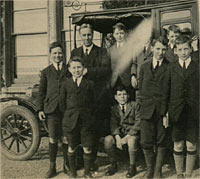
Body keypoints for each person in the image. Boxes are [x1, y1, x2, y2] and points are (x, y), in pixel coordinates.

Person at [70, 23, 111, 170]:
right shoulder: (75, 52)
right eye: (84, 35)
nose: (87, 37)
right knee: (79, 128)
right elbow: (71, 71)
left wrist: (88, 71)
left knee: (92, 130)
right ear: (80, 36)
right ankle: (80, 161)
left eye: (89, 35)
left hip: (96, 98)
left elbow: (106, 70)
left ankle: (91, 162)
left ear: (92, 35)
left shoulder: (102, 52)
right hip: (79, 98)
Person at [161, 35, 199, 178]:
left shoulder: (197, 66)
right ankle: (179, 174)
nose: (183, 52)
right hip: (176, 112)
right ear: (175, 51)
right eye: (180, 49)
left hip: (193, 112)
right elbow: (165, 92)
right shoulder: (171, 68)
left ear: (191, 49)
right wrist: (164, 113)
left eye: (186, 49)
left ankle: (188, 174)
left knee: (191, 145)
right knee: (178, 145)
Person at [36, 42, 70, 178]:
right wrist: (40, 109)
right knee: (53, 138)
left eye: (60, 53)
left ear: (63, 54)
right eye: (55, 53)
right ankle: (52, 166)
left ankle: (67, 164)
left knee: (66, 138)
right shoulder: (46, 72)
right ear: (50, 55)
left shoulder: (69, 70)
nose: (57, 55)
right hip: (51, 110)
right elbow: (41, 92)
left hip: (66, 109)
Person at [59, 56, 95, 178]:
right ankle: (73, 172)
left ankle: (87, 172)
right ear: (69, 69)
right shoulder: (65, 84)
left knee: (87, 146)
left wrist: (89, 116)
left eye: (79, 67)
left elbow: (93, 103)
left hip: (86, 120)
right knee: (71, 146)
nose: (76, 70)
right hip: (70, 120)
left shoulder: (89, 84)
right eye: (74, 67)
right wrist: (69, 115)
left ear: (83, 68)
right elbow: (62, 104)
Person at [138, 37, 169, 178]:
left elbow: (171, 91)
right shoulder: (144, 66)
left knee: (161, 141)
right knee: (145, 141)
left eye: (163, 49)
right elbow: (141, 88)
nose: (160, 52)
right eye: (157, 49)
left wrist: (166, 113)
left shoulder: (170, 66)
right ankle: (150, 169)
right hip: (146, 110)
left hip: (162, 111)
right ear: (152, 49)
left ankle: (157, 171)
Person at [104, 85, 140, 178]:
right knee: (108, 140)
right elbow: (113, 124)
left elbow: (138, 122)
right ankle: (113, 164)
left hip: (132, 133)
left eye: (124, 94)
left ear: (128, 96)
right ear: (115, 97)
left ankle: (132, 167)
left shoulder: (134, 105)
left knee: (132, 141)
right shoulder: (114, 109)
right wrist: (117, 137)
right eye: (119, 95)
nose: (122, 97)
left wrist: (127, 136)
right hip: (120, 134)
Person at [109, 22, 137, 100]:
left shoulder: (131, 48)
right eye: (117, 33)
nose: (119, 36)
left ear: (125, 34)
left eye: (121, 33)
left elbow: (134, 63)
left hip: (127, 80)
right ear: (114, 35)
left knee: (129, 101)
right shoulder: (110, 50)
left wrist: (133, 75)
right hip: (114, 81)